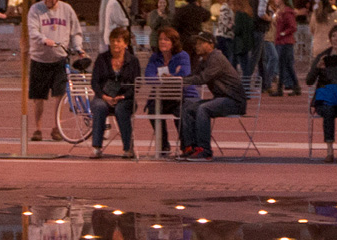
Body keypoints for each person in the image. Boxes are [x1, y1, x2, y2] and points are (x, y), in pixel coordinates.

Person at [26, 0, 80, 142]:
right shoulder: (35, 9)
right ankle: (38, 128)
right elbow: (33, 30)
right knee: (38, 97)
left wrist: (78, 48)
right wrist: (44, 40)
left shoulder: (67, 10)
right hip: (40, 59)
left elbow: (75, 31)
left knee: (59, 95)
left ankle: (57, 127)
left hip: (59, 59)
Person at [177, 34, 243, 161]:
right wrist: (177, 78)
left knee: (203, 109)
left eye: (200, 43)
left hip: (233, 101)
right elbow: (193, 75)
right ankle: (190, 147)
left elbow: (203, 78)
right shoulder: (204, 60)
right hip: (221, 99)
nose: (197, 46)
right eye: (196, 43)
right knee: (187, 107)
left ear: (211, 45)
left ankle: (205, 150)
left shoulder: (216, 58)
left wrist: (181, 80)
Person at [89, 27, 139, 159]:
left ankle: (128, 148)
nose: (115, 44)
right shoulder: (101, 59)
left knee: (121, 109)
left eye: (118, 41)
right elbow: (95, 82)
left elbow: (136, 84)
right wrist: (104, 96)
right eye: (112, 41)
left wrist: (123, 96)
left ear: (125, 43)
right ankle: (96, 147)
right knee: (99, 106)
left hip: (125, 98)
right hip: (104, 96)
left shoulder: (133, 61)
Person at [305, 36, 337, 162]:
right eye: (333, 36)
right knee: (329, 110)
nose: (336, 39)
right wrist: (317, 67)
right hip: (325, 98)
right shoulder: (322, 57)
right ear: (330, 38)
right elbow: (309, 81)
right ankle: (329, 150)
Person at [143, 25, 191, 156]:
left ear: (173, 42)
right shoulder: (155, 57)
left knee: (180, 111)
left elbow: (184, 75)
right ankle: (163, 145)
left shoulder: (183, 56)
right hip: (161, 96)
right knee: (153, 110)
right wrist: (169, 78)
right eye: (160, 39)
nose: (162, 42)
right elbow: (148, 76)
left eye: (166, 39)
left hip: (182, 95)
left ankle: (186, 146)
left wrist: (168, 77)